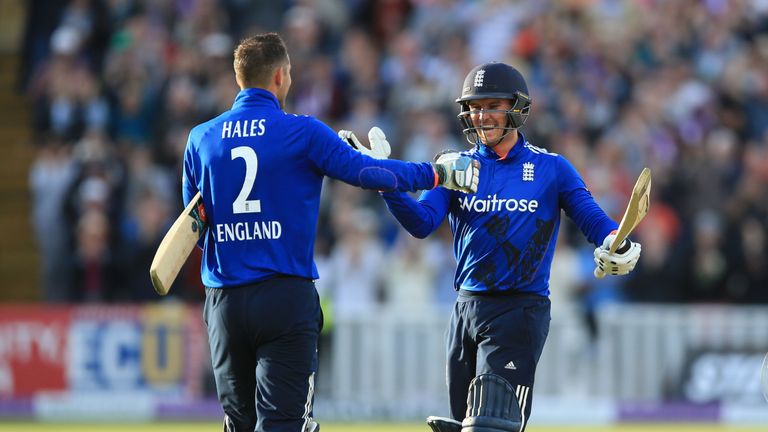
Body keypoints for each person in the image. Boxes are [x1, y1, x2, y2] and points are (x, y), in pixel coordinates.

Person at [181, 33, 479, 432]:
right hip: (284, 294)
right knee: (285, 424)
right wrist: (437, 172)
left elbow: (195, 227)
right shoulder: (302, 132)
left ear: (239, 78)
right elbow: (369, 172)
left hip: (224, 300)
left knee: (238, 423)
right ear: (281, 76)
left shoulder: (200, 138)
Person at [343, 62, 642, 432]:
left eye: (492, 106)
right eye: (475, 107)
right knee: (465, 423)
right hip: (465, 309)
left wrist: (615, 241)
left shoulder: (552, 168)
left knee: (490, 425)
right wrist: (386, 181)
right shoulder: (454, 166)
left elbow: (593, 220)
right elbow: (421, 223)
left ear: (517, 108)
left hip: (519, 311)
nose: (481, 116)